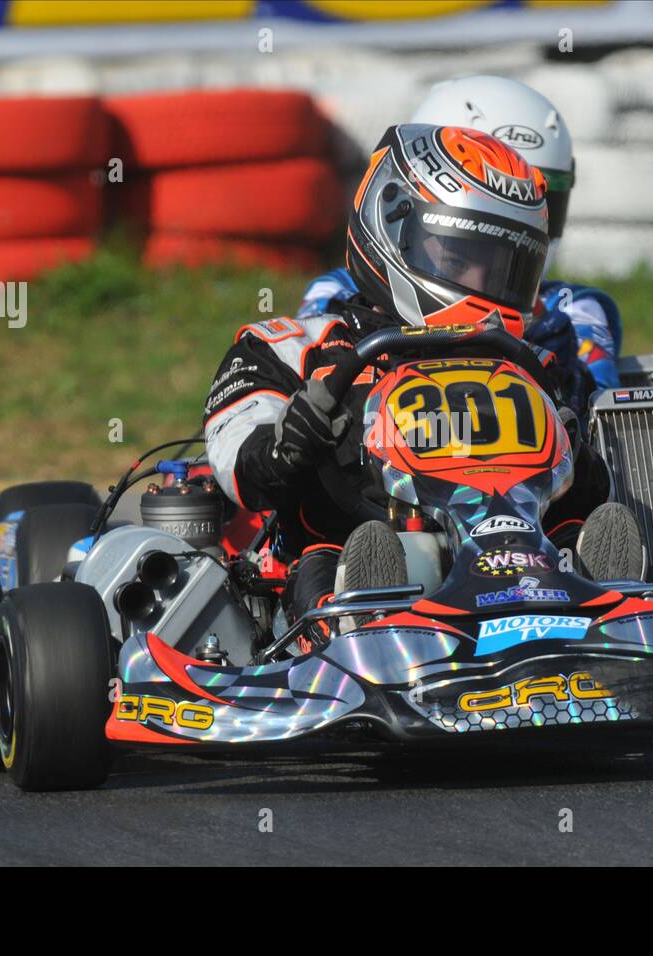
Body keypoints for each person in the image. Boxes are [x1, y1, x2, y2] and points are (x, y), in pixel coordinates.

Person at [203, 124, 610, 645]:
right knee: (338, 557)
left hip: (515, 555)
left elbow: (585, 491)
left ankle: (610, 594)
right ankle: (357, 622)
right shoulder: (293, 347)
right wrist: (287, 444)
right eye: (459, 260)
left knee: (569, 533)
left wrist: (574, 448)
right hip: (349, 546)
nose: (482, 288)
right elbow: (239, 469)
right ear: (393, 228)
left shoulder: (527, 364)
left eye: (503, 271)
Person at [297, 75, 624, 414]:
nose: (520, 219)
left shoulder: (572, 311)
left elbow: (595, 422)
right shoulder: (337, 292)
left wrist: (551, 352)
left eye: (541, 199)